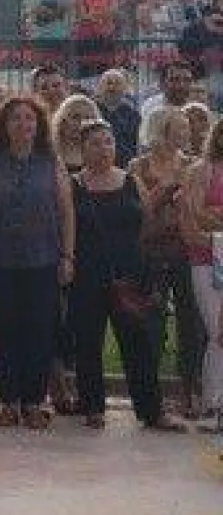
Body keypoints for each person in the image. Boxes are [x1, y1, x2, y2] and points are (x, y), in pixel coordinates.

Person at [0, 95, 73, 430]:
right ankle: (9, 403)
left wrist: (68, 255)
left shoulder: (50, 161)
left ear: (38, 124)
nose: (23, 125)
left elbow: (66, 211)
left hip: (43, 261)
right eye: (15, 119)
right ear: (3, 125)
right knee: (5, 331)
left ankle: (34, 403)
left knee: (39, 333)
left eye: (29, 119)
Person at [69, 119, 183, 431]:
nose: (103, 148)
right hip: (87, 274)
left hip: (130, 274)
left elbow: (146, 222)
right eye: (95, 143)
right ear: (82, 149)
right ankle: (92, 406)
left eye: (108, 141)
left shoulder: (130, 180)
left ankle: (151, 410)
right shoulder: (73, 184)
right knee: (88, 342)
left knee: (138, 344)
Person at [129, 105, 206, 420]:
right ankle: (153, 399)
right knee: (152, 326)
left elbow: (197, 208)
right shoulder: (139, 165)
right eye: (181, 126)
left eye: (188, 126)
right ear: (163, 130)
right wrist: (170, 184)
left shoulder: (193, 165)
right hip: (152, 252)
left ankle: (190, 393)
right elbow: (141, 210)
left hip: (187, 252)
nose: (188, 132)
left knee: (193, 325)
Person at [182, 119, 223, 432]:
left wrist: (214, 218)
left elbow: (208, 216)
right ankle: (213, 404)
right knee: (218, 332)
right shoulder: (200, 171)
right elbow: (192, 225)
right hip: (208, 263)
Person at [26, 0, 76, 69]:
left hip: (62, 37)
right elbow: (36, 11)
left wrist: (46, 11)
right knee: (40, 70)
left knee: (62, 71)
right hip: (41, 37)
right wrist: (58, 11)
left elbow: (68, 8)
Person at [94, 69, 139, 168]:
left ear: (124, 89)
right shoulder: (92, 111)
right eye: (109, 83)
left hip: (125, 166)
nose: (112, 88)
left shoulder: (133, 115)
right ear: (100, 87)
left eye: (117, 83)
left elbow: (136, 145)